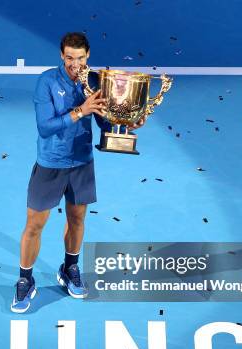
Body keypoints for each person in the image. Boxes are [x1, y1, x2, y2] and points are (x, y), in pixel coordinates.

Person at [11, 32, 146, 313]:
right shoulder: (47, 81)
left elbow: (104, 123)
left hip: (82, 162)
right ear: (62, 55)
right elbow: (45, 127)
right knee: (34, 225)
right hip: (51, 163)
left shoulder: (95, 81)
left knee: (77, 218)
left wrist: (126, 124)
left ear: (88, 56)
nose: (75, 64)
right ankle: (25, 280)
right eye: (70, 58)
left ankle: (69, 268)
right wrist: (79, 111)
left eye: (81, 58)